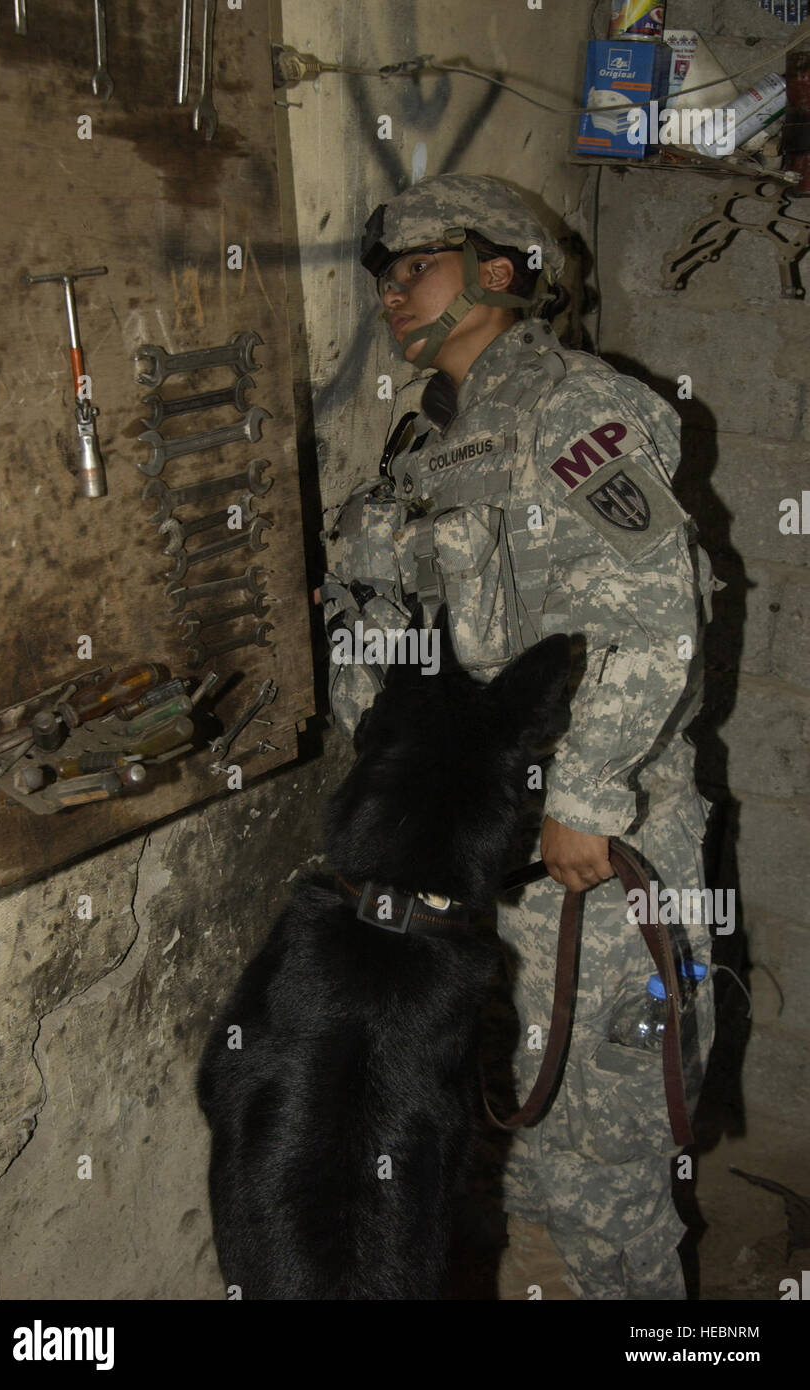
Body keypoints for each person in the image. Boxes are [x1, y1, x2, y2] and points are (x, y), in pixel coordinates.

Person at [319, 172, 716, 1300]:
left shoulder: (574, 412)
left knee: (611, 1160)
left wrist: (585, 800)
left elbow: (654, 618)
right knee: (512, 1141)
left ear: (499, 272)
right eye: (384, 276)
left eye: (419, 266)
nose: (394, 294)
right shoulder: (418, 446)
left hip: (588, 846)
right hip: (469, 855)